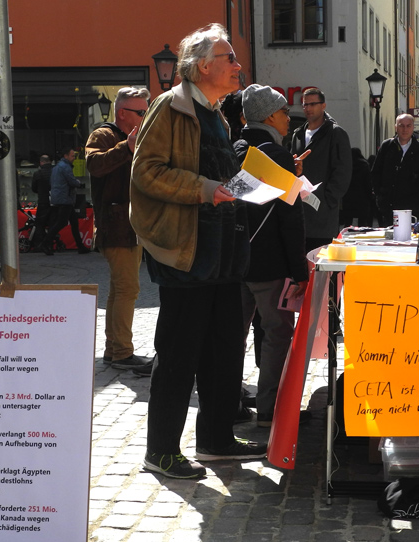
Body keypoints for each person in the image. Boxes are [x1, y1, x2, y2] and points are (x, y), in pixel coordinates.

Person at [130, 23, 266, 479]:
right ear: (203, 66)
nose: (238, 66)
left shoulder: (217, 114)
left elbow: (218, 178)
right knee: (178, 355)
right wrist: (206, 189)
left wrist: (256, 185)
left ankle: (215, 438)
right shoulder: (171, 106)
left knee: (224, 351)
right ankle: (161, 450)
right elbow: (147, 172)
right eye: (230, 58)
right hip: (186, 254)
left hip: (223, 254)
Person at [233, 84, 309, 428]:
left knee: (233, 335)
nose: (288, 118)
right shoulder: (276, 155)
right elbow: (290, 219)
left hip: (235, 260)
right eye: (283, 112)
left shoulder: (234, 148)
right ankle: (270, 409)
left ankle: (229, 403)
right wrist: (299, 270)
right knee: (277, 333)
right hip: (269, 262)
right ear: (267, 117)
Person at [85, 86, 154, 374]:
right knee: (127, 289)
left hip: (130, 225)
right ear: (123, 113)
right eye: (141, 112)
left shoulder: (138, 138)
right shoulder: (103, 135)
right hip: (115, 225)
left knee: (119, 289)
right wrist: (126, 148)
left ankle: (114, 349)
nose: (146, 116)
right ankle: (123, 353)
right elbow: (94, 164)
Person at [290, 88, 352, 250]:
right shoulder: (298, 134)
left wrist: (327, 199)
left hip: (323, 215)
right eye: (305, 105)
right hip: (299, 211)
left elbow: (343, 172)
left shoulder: (335, 133)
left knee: (320, 259)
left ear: (323, 105)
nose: (308, 108)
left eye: (313, 104)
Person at [371, 113, 419, 226]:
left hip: (412, 206)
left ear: (413, 127)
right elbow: (375, 172)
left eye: (408, 126)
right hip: (388, 205)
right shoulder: (387, 146)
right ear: (396, 127)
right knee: (388, 234)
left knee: (409, 235)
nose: (405, 129)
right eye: (401, 126)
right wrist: (379, 195)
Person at [40, 147, 89, 255]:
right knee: (62, 223)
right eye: (72, 156)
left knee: (74, 223)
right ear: (66, 156)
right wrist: (79, 183)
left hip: (60, 198)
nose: (74, 158)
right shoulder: (65, 167)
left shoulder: (56, 167)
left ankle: (80, 246)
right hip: (65, 199)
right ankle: (45, 242)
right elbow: (71, 181)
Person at [341, 148, 374, 228]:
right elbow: (368, 182)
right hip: (362, 197)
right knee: (362, 222)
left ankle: (346, 232)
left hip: (348, 197)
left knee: (348, 221)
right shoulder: (364, 165)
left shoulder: (346, 165)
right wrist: (370, 195)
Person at [30, 154, 52, 248]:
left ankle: (39, 244)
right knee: (52, 223)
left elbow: (34, 188)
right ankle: (50, 243)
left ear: (41, 162)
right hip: (54, 201)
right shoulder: (55, 172)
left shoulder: (37, 173)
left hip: (42, 201)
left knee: (39, 223)